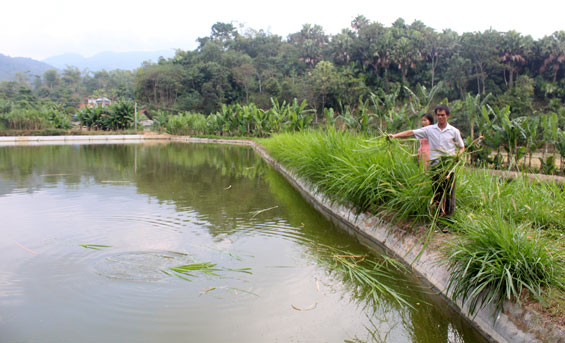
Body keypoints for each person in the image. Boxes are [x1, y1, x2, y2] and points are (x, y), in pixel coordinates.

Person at [389, 104, 464, 220]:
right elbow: (411, 132)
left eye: (442, 115)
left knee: (449, 193)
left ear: (447, 116)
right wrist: (395, 136)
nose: (440, 117)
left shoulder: (454, 131)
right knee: (437, 193)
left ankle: (449, 219)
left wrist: (458, 156)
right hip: (435, 166)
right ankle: (439, 217)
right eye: (438, 115)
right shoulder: (430, 130)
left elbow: (461, 147)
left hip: (449, 168)